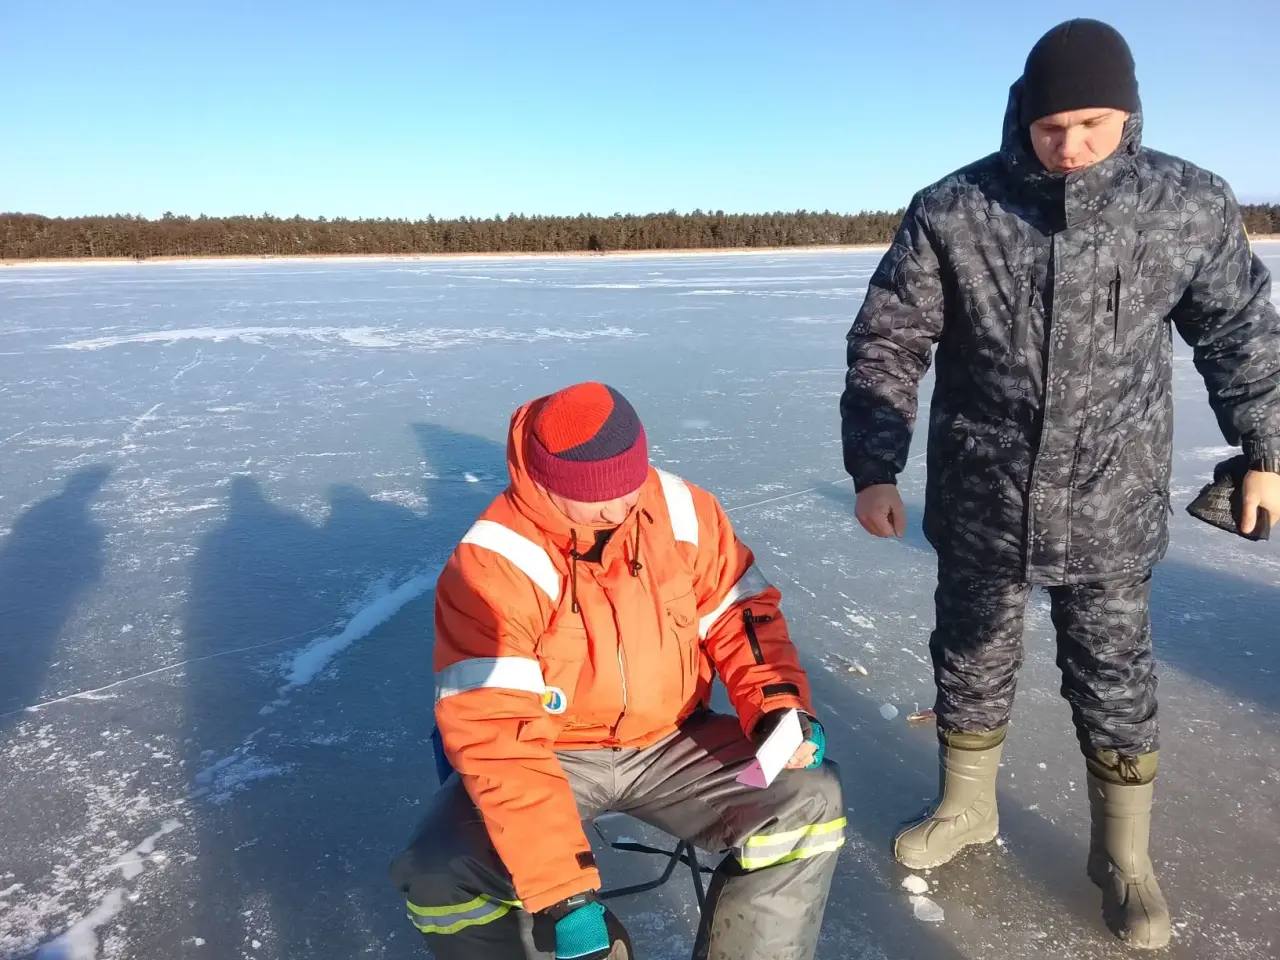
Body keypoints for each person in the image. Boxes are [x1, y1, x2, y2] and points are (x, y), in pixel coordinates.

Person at [840, 18, 1280, 951]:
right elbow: (888, 342)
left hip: (1111, 496)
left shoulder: (1186, 204)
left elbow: (1243, 334)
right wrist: (875, 465)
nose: (1072, 147)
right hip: (982, 496)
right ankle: (967, 808)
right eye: (1052, 128)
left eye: (1092, 123)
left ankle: (1124, 857)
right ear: (1022, 116)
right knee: (970, 655)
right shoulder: (955, 209)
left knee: (1115, 671)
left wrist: (1267, 451)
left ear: (1129, 113)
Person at [391, 382, 844, 960]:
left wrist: (777, 706)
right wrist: (560, 896)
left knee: (809, 798)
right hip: (549, 755)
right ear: (550, 483)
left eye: (631, 484)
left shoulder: (682, 511)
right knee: (439, 876)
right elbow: (497, 739)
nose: (621, 506)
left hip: (672, 740)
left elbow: (740, 616)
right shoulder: (491, 565)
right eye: (597, 496)